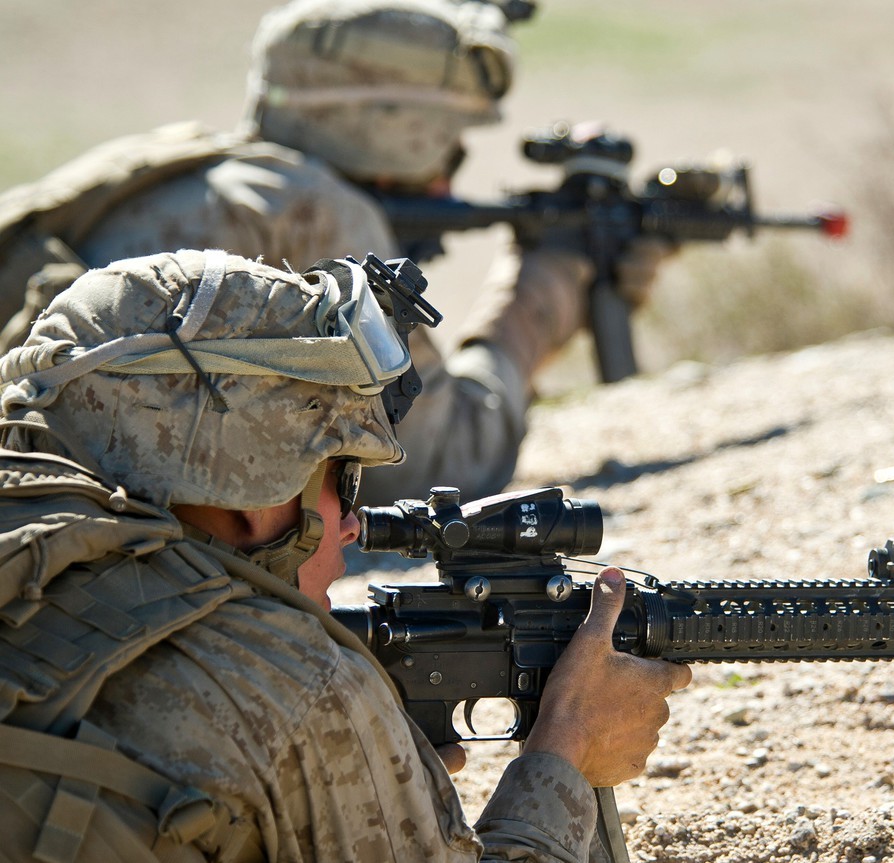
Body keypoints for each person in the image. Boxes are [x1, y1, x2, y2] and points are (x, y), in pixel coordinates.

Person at [0, 249, 691, 862]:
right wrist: (564, 754)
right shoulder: (293, 686)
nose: (354, 524)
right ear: (255, 487)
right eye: (339, 476)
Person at [0, 0, 670, 505]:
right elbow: (444, 464)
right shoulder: (320, 213)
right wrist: (542, 299)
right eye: (449, 143)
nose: (449, 177)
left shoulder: (198, 175)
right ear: (395, 131)